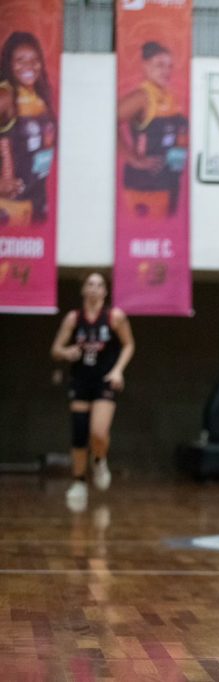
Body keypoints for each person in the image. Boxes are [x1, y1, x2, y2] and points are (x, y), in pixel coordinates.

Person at [50, 272, 135, 512]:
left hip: (105, 380)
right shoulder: (73, 319)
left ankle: (99, 460)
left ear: (105, 291)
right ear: (83, 290)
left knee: (98, 432)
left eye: (99, 285)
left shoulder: (115, 317)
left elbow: (129, 344)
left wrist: (118, 370)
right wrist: (66, 353)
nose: (95, 288)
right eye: (90, 284)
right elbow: (55, 349)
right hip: (80, 380)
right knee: (79, 433)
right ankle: (78, 482)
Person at [117, 41, 188, 219]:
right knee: (149, 232)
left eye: (169, 66)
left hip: (168, 182)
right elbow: (108, 120)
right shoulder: (141, 97)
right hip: (146, 185)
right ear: (145, 66)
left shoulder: (168, 96)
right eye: (159, 65)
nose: (166, 71)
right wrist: (132, 159)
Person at [0, 31, 57, 226]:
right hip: (8, 204)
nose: (29, 66)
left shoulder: (41, 96)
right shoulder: (5, 95)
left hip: (36, 200)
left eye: (34, 59)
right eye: (20, 60)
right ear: (8, 63)